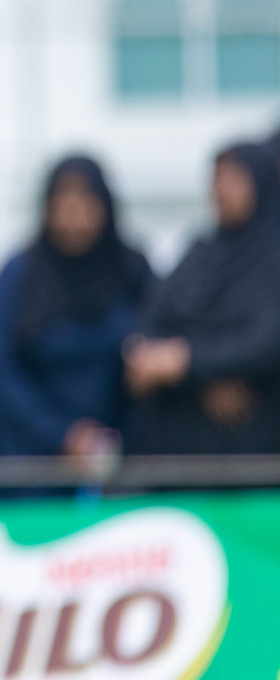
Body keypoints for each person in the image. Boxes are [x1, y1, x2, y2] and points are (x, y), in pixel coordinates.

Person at [0, 156, 155, 488]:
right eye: (64, 204)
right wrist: (63, 435)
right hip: (31, 462)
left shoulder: (131, 271)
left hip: (118, 460)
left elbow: (154, 343)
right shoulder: (20, 274)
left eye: (86, 203)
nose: (75, 217)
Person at [124, 142, 280, 463]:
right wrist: (200, 379)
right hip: (182, 451)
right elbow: (151, 328)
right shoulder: (199, 253)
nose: (222, 189)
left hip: (256, 453)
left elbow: (265, 342)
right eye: (217, 178)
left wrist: (186, 361)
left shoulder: (272, 258)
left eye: (235, 179)